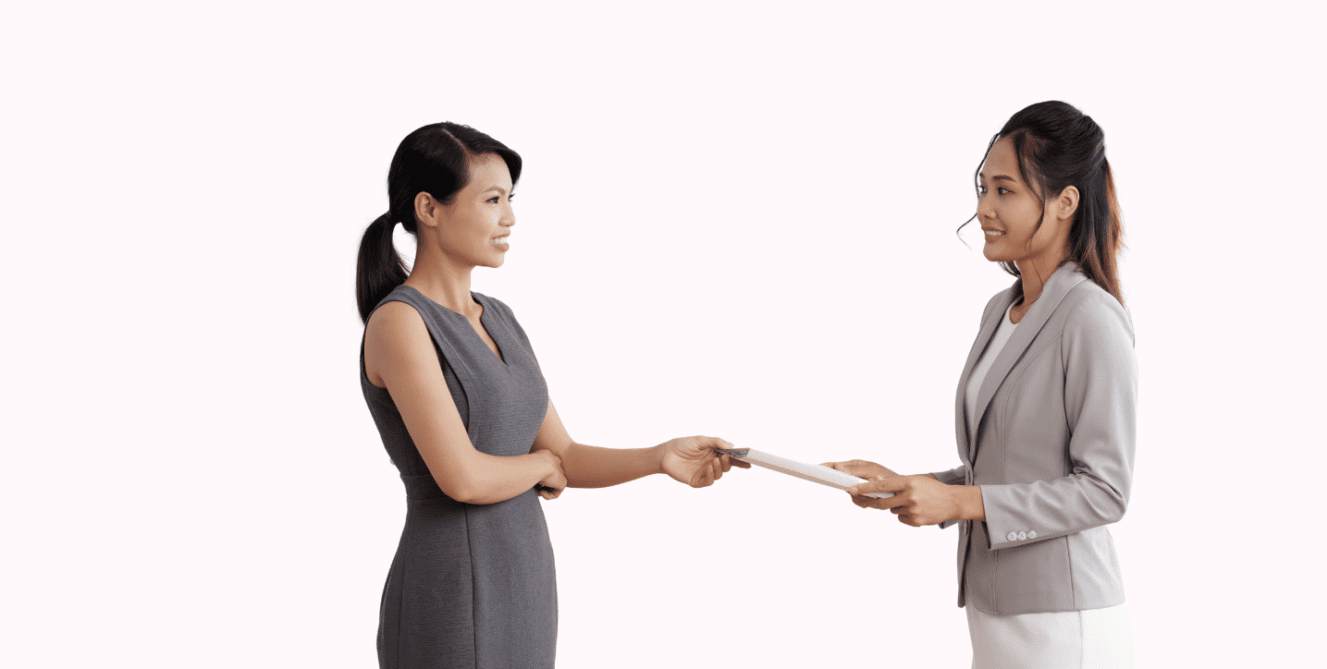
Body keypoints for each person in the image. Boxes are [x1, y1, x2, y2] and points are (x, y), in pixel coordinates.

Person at [355, 122, 742, 669]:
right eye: (492, 200)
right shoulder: (400, 322)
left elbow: (566, 454)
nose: (509, 218)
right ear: (429, 209)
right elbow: (462, 477)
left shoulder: (502, 319)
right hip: (450, 587)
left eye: (510, 200)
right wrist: (539, 465)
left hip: (526, 580)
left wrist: (658, 458)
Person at [828, 101, 1136, 669]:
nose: (983, 209)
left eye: (1005, 191)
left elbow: (1105, 490)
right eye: (983, 189)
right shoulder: (1001, 310)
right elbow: (1001, 466)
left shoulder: (1090, 317)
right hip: (994, 614)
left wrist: (959, 501)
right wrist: (910, 483)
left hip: (1064, 625)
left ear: (1066, 202)